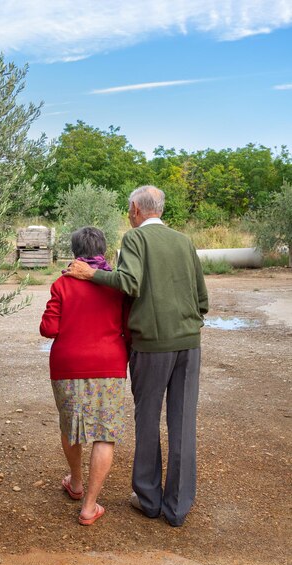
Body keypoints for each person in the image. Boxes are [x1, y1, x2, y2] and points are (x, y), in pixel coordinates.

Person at [66, 186, 209, 527]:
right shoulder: (184, 241)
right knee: (183, 423)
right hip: (189, 344)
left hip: (151, 346)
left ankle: (148, 499)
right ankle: (177, 509)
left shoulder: (134, 240)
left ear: (134, 209)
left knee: (147, 421)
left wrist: (92, 274)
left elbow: (129, 282)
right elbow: (202, 298)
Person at [40, 227, 131, 526]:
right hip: (109, 363)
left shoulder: (62, 283)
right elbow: (129, 328)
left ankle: (76, 484)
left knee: (70, 426)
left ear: (74, 251)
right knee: (104, 433)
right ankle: (89, 507)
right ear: (102, 250)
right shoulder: (116, 285)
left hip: (68, 365)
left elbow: (48, 329)